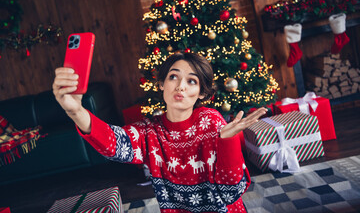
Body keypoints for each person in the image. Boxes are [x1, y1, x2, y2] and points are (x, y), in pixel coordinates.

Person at [52, 52, 267, 213]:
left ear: (201, 93)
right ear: (161, 84)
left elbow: (231, 193)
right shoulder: (149, 131)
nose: (181, 86)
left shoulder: (210, 122)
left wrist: (227, 141)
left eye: (192, 81)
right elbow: (115, 145)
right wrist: (76, 111)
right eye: (173, 77)